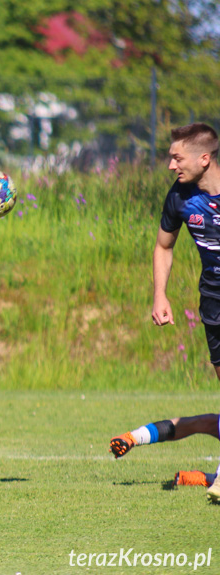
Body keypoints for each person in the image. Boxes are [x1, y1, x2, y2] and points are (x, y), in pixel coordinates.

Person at [109, 122, 220, 499]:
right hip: (214, 303)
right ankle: (210, 476)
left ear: (204, 158)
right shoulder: (180, 197)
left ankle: (217, 479)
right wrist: (160, 294)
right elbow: (164, 246)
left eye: (177, 157)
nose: (171, 165)